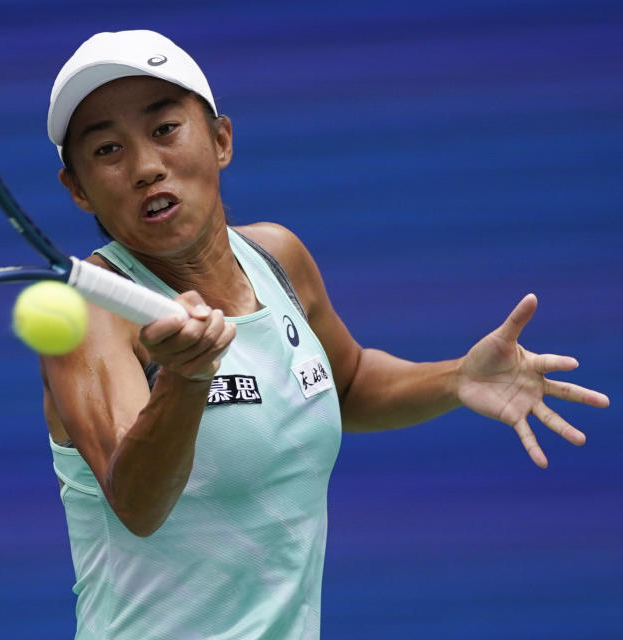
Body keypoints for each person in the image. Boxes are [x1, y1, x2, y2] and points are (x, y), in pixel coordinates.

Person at [39, 30, 609, 640]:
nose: (146, 167)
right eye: (106, 150)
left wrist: (456, 378)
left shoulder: (276, 255)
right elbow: (137, 504)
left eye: (164, 130)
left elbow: (349, 382)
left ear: (221, 139)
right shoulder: (89, 316)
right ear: (77, 189)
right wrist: (185, 377)